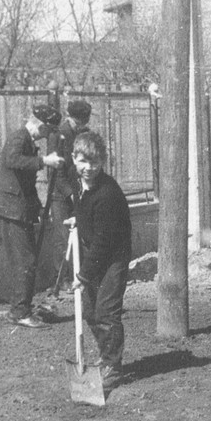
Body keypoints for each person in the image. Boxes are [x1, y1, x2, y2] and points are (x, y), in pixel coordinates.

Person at [0, 104, 65, 328]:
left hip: (19, 209)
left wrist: (39, 208)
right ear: (41, 125)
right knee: (25, 261)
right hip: (11, 210)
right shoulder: (19, 137)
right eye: (48, 130)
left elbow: (27, 183)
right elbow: (12, 160)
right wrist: (44, 161)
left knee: (24, 261)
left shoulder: (28, 141)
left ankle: (20, 307)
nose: (47, 135)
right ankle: (20, 312)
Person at [71, 131, 132, 390]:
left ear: (103, 161)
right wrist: (78, 220)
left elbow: (103, 241)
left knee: (106, 311)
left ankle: (113, 366)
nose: (89, 168)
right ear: (74, 158)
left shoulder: (107, 193)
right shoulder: (79, 184)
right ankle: (106, 355)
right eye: (83, 161)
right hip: (95, 254)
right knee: (90, 311)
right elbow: (86, 209)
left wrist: (83, 275)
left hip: (113, 256)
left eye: (94, 162)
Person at [48, 99, 92, 294]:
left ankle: (80, 277)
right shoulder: (60, 135)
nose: (83, 125)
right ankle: (61, 280)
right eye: (81, 121)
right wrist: (70, 194)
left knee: (81, 236)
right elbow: (56, 174)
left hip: (77, 191)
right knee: (62, 238)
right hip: (60, 195)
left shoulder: (82, 134)